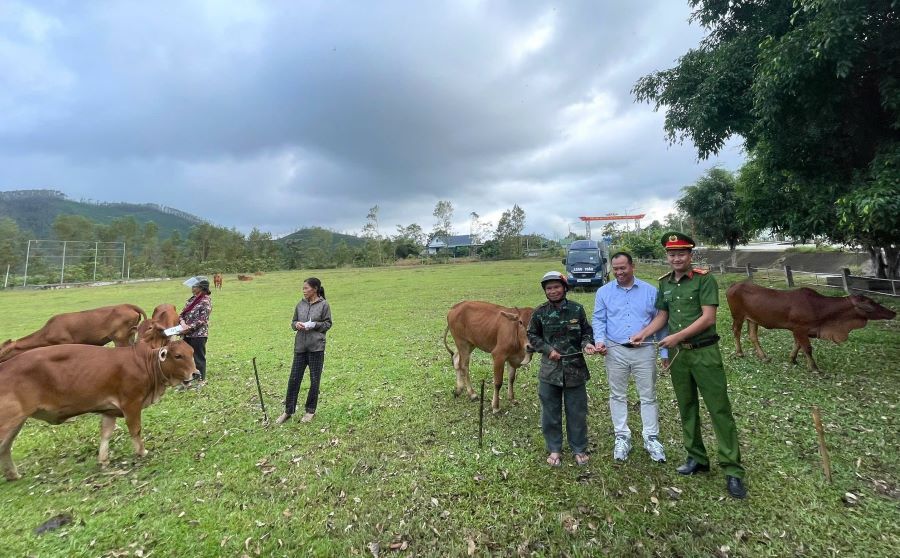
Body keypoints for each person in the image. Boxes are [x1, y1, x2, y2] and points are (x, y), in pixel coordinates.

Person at [631, 232, 747, 499]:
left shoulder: (705, 280)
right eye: (672, 254)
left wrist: (677, 337)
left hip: (704, 352)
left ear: (690, 255)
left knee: (719, 409)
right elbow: (663, 316)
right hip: (680, 357)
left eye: (681, 253)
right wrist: (644, 333)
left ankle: (732, 469)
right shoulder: (665, 283)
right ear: (667, 256)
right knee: (687, 406)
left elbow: (708, 318)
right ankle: (697, 457)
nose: (676, 258)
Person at [593, 251, 669, 463]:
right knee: (617, 394)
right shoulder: (603, 292)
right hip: (615, 349)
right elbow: (599, 319)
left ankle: (651, 437)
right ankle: (621, 436)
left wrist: (664, 351)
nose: (619, 272)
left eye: (623, 268)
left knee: (648, 394)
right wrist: (599, 340)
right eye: (615, 269)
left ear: (632, 266)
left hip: (644, 350)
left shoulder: (650, 291)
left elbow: (661, 321)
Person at [527, 271, 597, 467]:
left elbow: (587, 332)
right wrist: (548, 350)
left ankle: (579, 448)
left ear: (565, 288)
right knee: (550, 412)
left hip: (575, 370)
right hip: (550, 371)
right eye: (549, 288)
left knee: (577, 412)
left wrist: (587, 344)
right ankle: (554, 448)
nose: (553, 291)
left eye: (557, 287)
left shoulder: (577, 309)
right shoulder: (539, 312)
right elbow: (532, 336)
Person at [275, 277, 333, 425]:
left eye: (306, 288)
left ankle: (310, 411)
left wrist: (314, 325)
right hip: (300, 347)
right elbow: (293, 322)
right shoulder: (300, 304)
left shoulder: (324, 305)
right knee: (294, 379)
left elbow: (327, 324)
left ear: (315, 289)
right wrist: (296, 325)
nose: (304, 291)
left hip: (316, 348)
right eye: (303, 288)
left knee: (314, 380)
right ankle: (288, 411)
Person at [179, 276, 213, 387]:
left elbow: (202, 320)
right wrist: (182, 323)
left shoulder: (205, 301)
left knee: (198, 358)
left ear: (202, 288)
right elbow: (182, 314)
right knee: (186, 358)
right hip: (186, 334)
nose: (192, 288)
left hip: (199, 335)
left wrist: (188, 328)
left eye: (195, 286)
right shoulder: (191, 300)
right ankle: (188, 380)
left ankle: (201, 380)